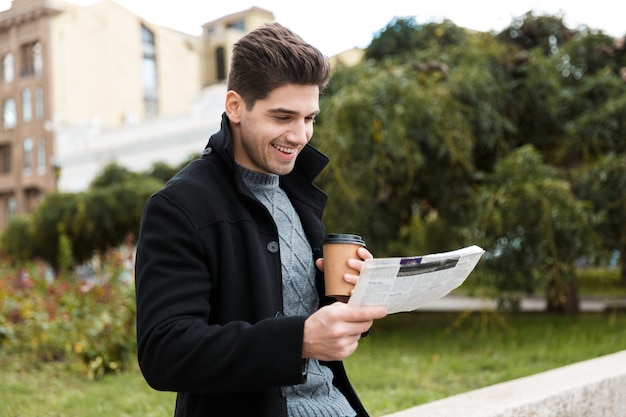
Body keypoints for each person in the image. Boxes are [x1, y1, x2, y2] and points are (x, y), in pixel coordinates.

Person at [134, 22, 388, 417]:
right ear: (235, 106)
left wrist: (350, 297)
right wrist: (299, 339)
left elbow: (305, 314)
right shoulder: (179, 207)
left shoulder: (297, 192)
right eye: (283, 117)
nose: (301, 135)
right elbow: (164, 351)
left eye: (309, 118)